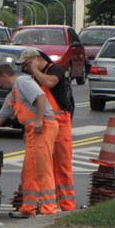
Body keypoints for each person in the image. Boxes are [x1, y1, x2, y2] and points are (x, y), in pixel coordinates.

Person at [0, 63, 59, 217]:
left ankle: (49, 210)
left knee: (43, 170)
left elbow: (40, 97)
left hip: (44, 128)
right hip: (34, 131)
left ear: (4, 76)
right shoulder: (12, 96)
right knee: (29, 172)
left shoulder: (22, 82)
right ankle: (29, 208)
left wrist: (39, 121)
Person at [19, 49, 76, 211]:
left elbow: (50, 83)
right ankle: (37, 205)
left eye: (27, 63)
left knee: (62, 165)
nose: (25, 67)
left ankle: (67, 207)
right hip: (43, 122)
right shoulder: (31, 78)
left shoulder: (54, 69)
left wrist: (36, 70)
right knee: (39, 165)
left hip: (61, 121)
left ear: (36, 59)